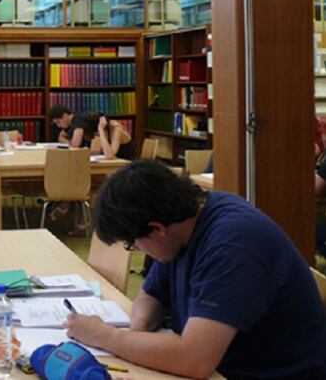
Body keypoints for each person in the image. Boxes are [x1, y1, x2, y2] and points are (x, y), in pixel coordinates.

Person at [66, 160, 326, 379]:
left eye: (133, 244)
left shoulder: (233, 245)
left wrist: (106, 337)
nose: (137, 250)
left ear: (157, 228)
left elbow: (195, 360)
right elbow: (151, 294)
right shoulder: (184, 223)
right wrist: (138, 331)